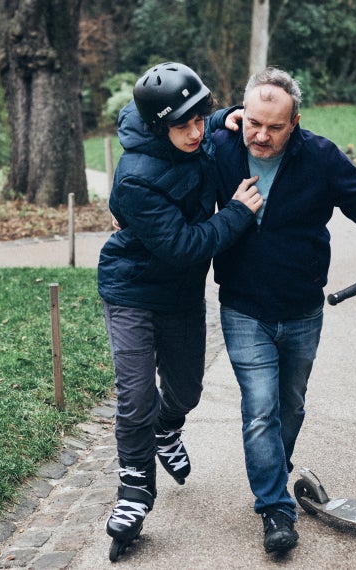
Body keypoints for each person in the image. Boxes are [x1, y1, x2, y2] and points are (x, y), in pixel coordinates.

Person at [209, 67, 356, 554]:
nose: (261, 136)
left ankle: (272, 475)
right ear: (242, 116)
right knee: (260, 410)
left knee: (290, 405)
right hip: (243, 308)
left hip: (303, 308)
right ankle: (274, 510)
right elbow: (158, 135)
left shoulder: (320, 157)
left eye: (275, 127)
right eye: (253, 123)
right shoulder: (221, 146)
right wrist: (222, 116)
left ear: (295, 122)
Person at [97, 62, 263, 549]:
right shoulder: (135, 180)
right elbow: (187, 246)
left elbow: (206, 125)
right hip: (131, 291)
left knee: (186, 391)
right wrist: (237, 212)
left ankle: (168, 429)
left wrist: (227, 116)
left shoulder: (192, 131)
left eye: (199, 119)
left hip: (181, 295)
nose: (196, 132)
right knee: (135, 398)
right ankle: (134, 489)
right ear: (156, 126)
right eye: (184, 124)